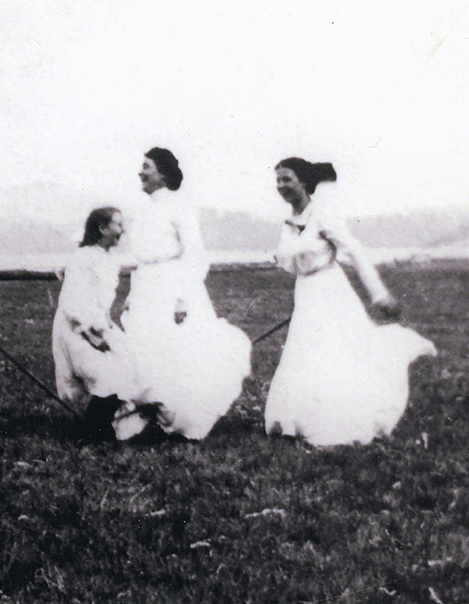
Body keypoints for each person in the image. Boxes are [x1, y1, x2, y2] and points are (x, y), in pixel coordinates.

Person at [264, 157, 436, 446]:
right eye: (278, 180)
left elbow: (354, 252)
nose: (281, 186)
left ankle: (335, 417)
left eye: (287, 179)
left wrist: (379, 294)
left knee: (336, 350)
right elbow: (291, 260)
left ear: (304, 182)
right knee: (304, 352)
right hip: (305, 293)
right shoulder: (290, 221)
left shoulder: (323, 214)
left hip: (331, 291)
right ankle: (296, 419)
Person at [114, 147, 252, 440]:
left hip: (172, 284)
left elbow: (196, 255)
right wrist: (132, 294)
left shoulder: (179, 206)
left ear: (162, 174)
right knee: (142, 349)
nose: (140, 172)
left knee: (176, 350)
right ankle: (149, 417)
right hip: (146, 286)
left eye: (146, 167)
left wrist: (181, 297)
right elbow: (143, 257)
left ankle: (183, 418)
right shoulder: (144, 209)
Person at [53, 207, 149, 443]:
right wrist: (92, 334)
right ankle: (93, 431)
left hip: (100, 324)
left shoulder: (109, 258)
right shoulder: (84, 257)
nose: (123, 229)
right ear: (102, 228)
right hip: (77, 328)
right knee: (109, 373)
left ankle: (103, 425)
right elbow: (73, 303)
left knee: (133, 363)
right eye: (118, 224)